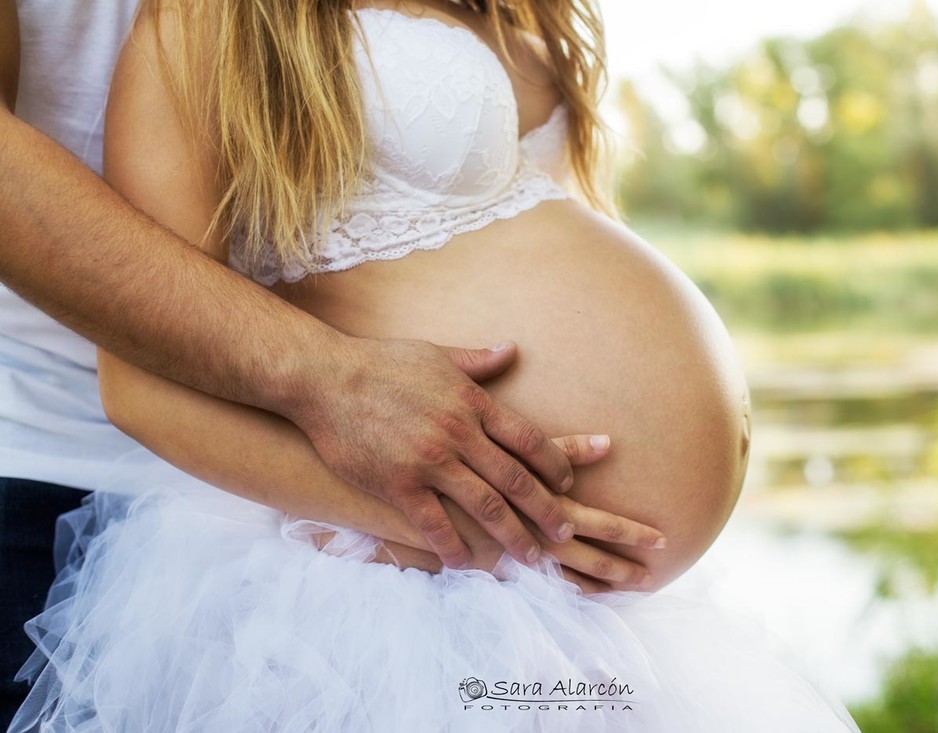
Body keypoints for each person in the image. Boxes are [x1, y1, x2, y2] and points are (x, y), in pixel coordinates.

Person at [10, 0, 861, 730]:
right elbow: (140, 384)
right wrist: (469, 524)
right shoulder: (222, 19)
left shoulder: (528, 15)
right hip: (380, 571)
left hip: (555, 603)